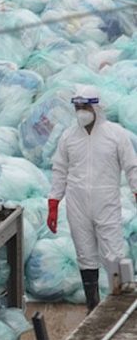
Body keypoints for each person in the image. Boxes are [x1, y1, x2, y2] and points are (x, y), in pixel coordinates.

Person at [48, 84, 137, 313]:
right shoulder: (69, 137)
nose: (81, 112)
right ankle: (92, 305)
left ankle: (118, 304)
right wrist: (54, 203)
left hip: (106, 200)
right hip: (77, 203)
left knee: (113, 253)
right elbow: (60, 169)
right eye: (77, 107)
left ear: (97, 107)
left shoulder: (115, 135)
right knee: (85, 254)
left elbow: (132, 167)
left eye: (85, 106)